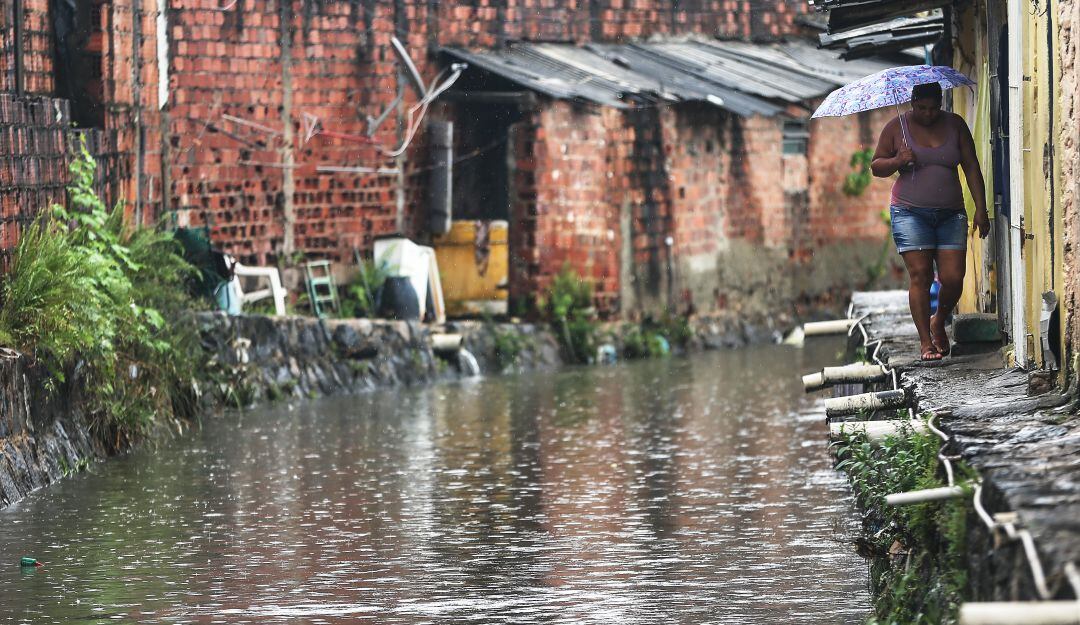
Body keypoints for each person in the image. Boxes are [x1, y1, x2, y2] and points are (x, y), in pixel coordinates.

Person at [871, 82, 991, 361]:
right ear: (912, 103)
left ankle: (939, 320)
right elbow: (876, 165)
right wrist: (898, 159)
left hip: (951, 212)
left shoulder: (955, 125)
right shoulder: (895, 127)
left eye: (934, 108)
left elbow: (971, 166)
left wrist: (981, 209)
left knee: (953, 278)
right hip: (910, 212)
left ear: (941, 102)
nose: (927, 114)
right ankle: (926, 341)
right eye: (921, 108)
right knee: (920, 276)